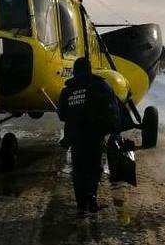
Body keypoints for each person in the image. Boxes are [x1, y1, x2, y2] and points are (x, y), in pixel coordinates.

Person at [57, 56, 120, 213]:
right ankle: (91, 195)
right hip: (95, 134)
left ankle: (81, 203)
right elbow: (113, 107)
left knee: (78, 169)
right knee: (93, 166)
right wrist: (114, 129)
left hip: (75, 136)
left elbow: (62, 115)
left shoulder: (67, 90)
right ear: (89, 69)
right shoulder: (101, 86)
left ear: (75, 71)